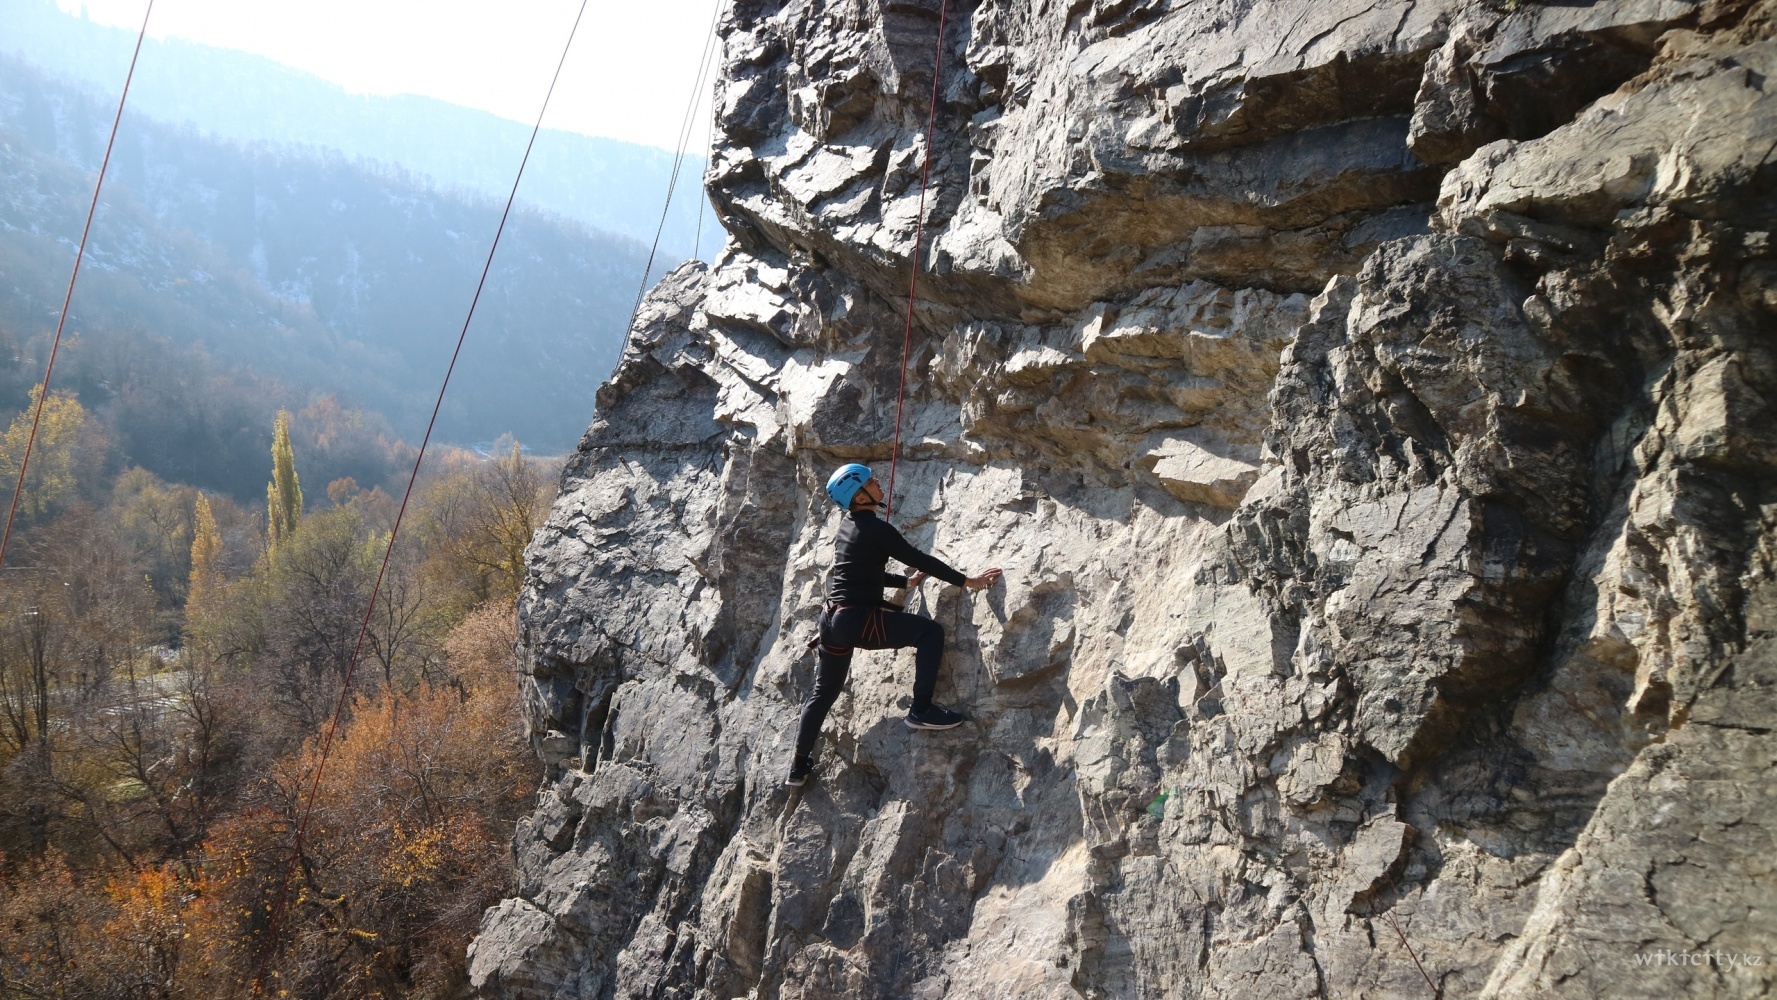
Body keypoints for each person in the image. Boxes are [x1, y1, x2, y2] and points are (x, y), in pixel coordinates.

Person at [787, 463, 1002, 787]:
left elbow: (859, 569)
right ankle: (921, 710)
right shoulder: (876, 529)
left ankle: (798, 767)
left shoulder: (848, 525)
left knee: (824, 692)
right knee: (930, 632)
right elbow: (921, 558)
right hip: (857, 620)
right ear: (859, 495)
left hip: (831, 620)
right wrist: (967, 581)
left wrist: (903, 582)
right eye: (871, 481)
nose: (879, 483)